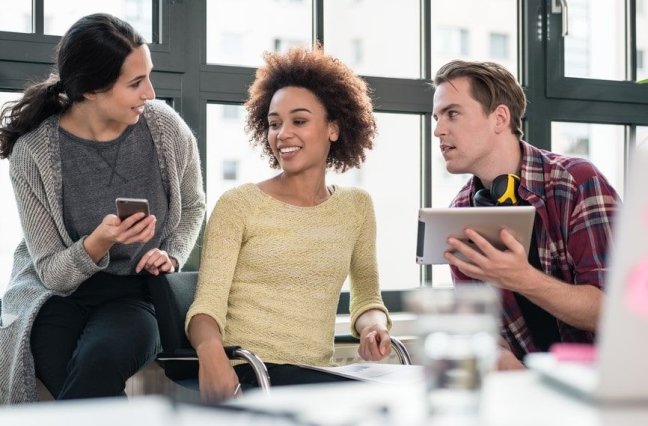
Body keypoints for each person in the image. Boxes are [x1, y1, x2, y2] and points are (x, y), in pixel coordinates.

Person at [0, 14, 205, 403]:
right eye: (135, 82)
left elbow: (194, 206)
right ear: (92, 89)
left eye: (149, 75)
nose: (150, 92)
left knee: (102, 359)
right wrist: (97, 242)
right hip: (55, 294)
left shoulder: (165, 128)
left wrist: (172, 255)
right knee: (75, 379)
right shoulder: (33, 153)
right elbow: (52, 274)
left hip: (136, 292)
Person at [186, 46, 392, 402]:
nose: (283, 134)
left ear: (333, 128)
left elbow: (367, 297)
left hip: (314, 376)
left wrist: (373, 327)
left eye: (299, 121)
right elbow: (207, 306)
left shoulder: (357, 207)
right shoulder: (238, 205)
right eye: (274, 123)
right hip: (252, 374)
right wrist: (211, 353)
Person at [432, 60, 620, 368]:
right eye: (437, 117)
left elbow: (613, 313)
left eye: (452, 113)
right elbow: (483, 333)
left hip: (610, 388)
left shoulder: (576, 182)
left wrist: (522, 279)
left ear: (500, 118)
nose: (438, 130)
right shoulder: (462, 212)